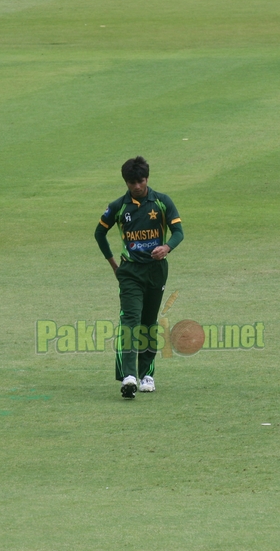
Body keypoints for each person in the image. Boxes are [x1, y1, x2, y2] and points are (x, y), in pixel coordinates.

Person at [94, 156, 184, 399]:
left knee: (149, 323)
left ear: (147, 179)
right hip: (130, 272)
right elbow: (99, 233)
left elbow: (178, 232)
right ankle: (129, 376)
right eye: (131, 182)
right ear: (126, 182)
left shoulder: (162, 202)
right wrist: (113, 263)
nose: (136, 186)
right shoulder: (118, 207)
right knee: (130, 322)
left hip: (156, 271)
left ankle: (147, 375)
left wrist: (167, 248)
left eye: (140, 181)